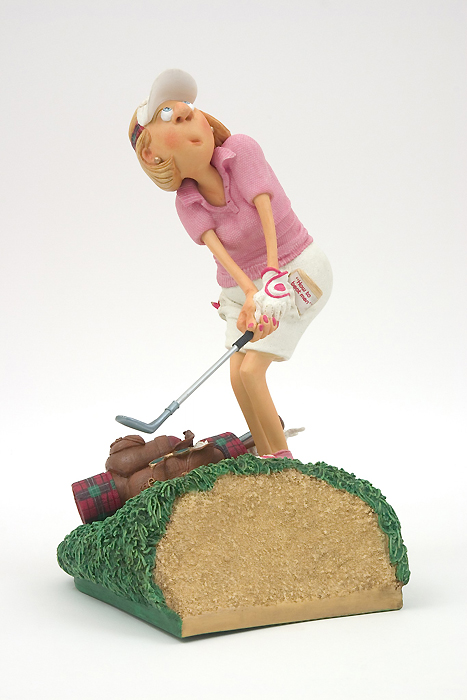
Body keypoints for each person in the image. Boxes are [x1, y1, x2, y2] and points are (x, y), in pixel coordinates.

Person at [129, 69, 332, 458]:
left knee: (252, 371)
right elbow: (221, 254)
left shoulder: (242, 152)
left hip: (296, 269)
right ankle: (264, 454)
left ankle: (282, 463)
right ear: (153, 155)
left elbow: (267, 217)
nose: (187, 113)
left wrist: (270, 281)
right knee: (238, 376)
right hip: (243, 290)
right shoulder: (187, 203)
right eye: (169, 116)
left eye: (187, 108)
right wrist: (251, 294)